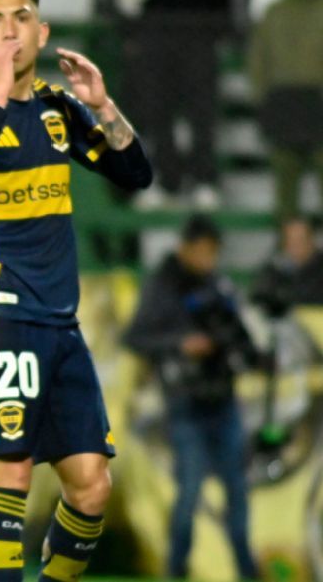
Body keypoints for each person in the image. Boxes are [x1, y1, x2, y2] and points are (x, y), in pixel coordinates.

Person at [0, 0, 153, 580]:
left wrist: (102, 106)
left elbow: (136, 174)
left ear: (43, 31)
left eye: (22, 17)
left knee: (92, 485)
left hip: (60, 321)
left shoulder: (58, 108)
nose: (10, 30)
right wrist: (0, 92)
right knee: (9, 472)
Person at [124, 216, 262, 580]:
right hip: (185, 403)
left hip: (223, 398)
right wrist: (180, 344)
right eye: (202, 251)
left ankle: (246, 569)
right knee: (189, 491)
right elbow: (135, 337)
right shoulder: (162, 287)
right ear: (185, 248)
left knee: (237, 488)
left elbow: (241, 339)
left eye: (212, 252)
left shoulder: (219, 286)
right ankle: (177, 567)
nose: (207, 259)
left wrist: (243, 349)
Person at [113, 0, 228, 208]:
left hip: (196, 34)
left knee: (201, 113)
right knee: (156, 110)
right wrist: (130, 27)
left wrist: (217, 28)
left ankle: (204, 179)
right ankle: (167, 179)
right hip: (154, 35)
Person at [249, 0, 323, 220]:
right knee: (285, 186)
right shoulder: (275, 12)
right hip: (284, 104)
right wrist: (263, 100)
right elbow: (258, 60)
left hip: (318, 100)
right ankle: (288, 241)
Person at [252, 217, 323, 314]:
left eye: (300, 240)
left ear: (311, 240)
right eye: (290, 240)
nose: (295, 246)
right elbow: (259, 297)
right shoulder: (275, 268)